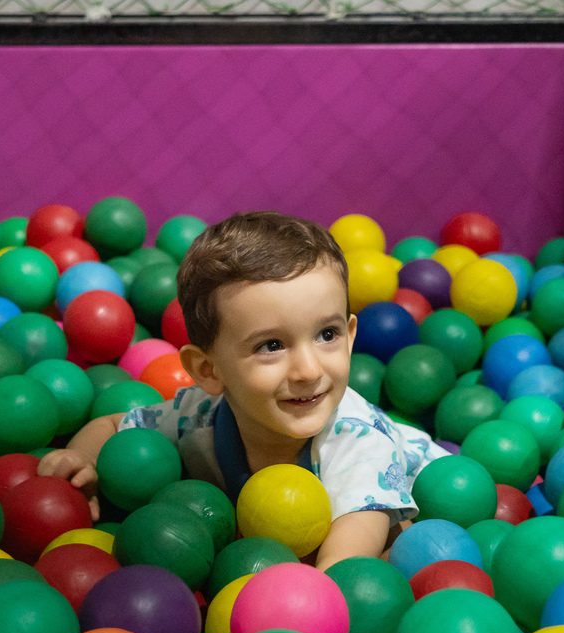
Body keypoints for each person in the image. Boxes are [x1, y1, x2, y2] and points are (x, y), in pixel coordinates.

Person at [38, 211, 448, 571]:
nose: (308, 370)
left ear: (351, 335)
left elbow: (346, 561)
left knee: (396, 546)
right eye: (271, 345)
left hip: (433, 480)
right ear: (209, 370)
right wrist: (79, 460)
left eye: (327, 334)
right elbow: (113, 426)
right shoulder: (200, 415)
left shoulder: (358, 439)